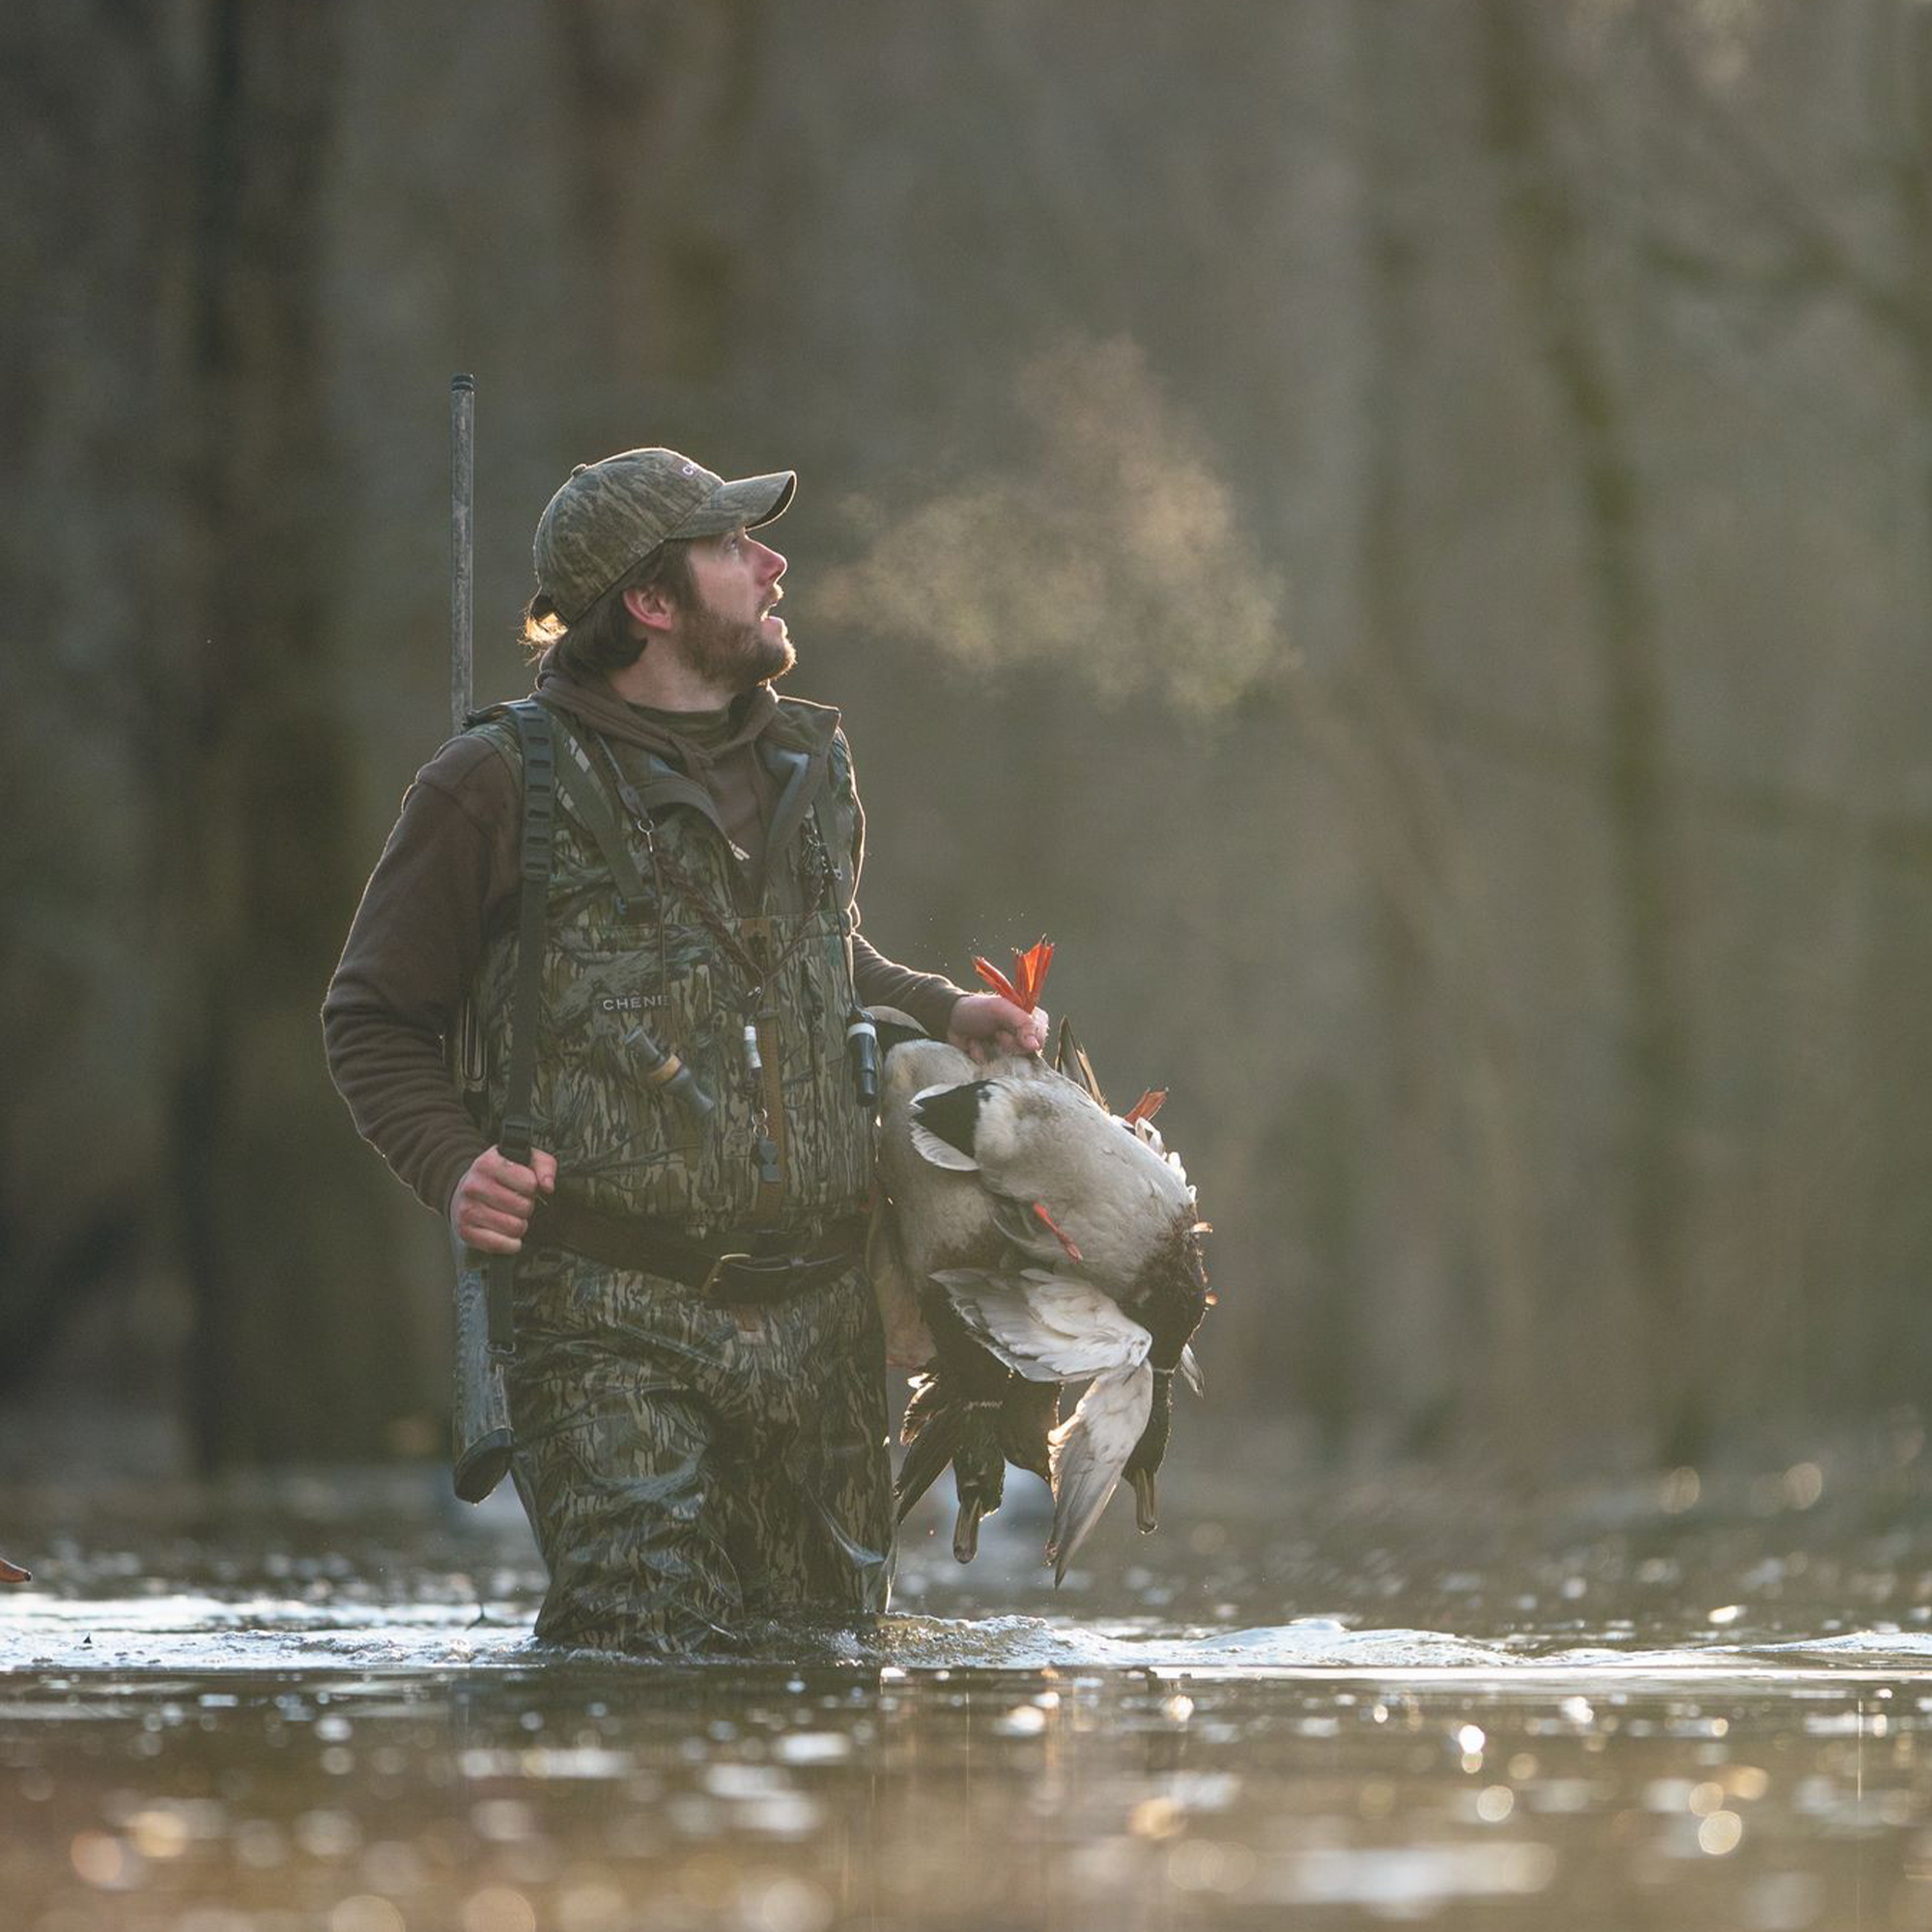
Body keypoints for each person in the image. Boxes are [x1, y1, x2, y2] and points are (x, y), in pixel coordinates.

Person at [324, 446, 1044, 1654]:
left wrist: (935, 1005)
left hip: (823, 1316)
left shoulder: (813, 759)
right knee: (640, 1660)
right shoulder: (493, 783)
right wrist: (452, 1164)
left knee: (827, 1669)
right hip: (607, 1315)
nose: (771, 564)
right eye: (731, 548)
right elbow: (372, 1016)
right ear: (649, 603)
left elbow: (809, 955)